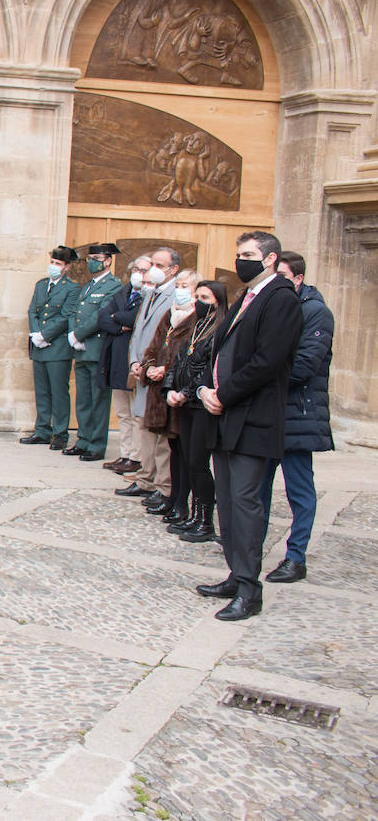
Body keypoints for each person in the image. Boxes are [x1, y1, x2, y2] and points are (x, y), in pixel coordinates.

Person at [195, 231, 303, 621]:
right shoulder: (247, 296)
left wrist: (225, 395)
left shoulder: (281, 299)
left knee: (244, 502)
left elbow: (267, 361)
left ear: (271, 259)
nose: (242, 261)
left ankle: (249, 589)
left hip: (252, 418)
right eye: (239, 254)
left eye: (250, 255)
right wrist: (207, 388)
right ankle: (235, 573)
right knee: (226, 497)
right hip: (224, 415)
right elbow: (221, 349)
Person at [259, 251, 334, 583]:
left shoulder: (316, 312)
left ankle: (296, 557)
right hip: (268, 412)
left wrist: (258, 375)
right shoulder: (272, 306)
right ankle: (250, 546)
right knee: (256, 488)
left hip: (297, 414)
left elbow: (305, 365)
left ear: (299, 279)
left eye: (284, 276)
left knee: (299, 491)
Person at [115, 247, 180, 501]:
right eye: (151, 263)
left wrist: (153, 364)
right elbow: (138, 332)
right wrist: (134, 361)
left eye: (158, 264)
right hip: (142, 370)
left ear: (173, 270)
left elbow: (170, 339)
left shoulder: (176, 295)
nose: (152, 268)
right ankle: (145, 478)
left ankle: (162, 484)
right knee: (144, 428)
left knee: (160, 433)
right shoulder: (150, 293)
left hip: (158, 373)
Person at [164, 279, 226, 543]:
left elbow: (207, 369)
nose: (199, 302)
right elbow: (179, 359)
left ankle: (206, 521)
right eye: (197, 296)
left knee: (200, 464)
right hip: (185, 403)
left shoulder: (219, 329)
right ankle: (195, 516)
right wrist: (170, 389)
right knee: (189, 460)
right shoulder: (196, 326)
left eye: (206, 298)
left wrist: (187, 392)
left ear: (218, 303)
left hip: (201, 404)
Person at [139, 269, 201, 520]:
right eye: (179, 285)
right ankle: (170, 497)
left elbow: (189, 354)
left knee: (180, 449)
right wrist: (150, 366)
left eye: (185, 286)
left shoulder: (197, 318)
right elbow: (154, 345)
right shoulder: (170, 313)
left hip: (177, 388)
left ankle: (176, 498)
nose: (180, 290)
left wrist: (167, 370)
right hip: (160, 389)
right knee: (170, 446)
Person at [64, 243, 122, 462]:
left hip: (96, 349)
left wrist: (77, 334)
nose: (92, 262)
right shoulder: (88, 285)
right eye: (90, 259)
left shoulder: (113, 286)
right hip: (81, 349)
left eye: (96, 258)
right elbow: (76, 312)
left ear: (108, 260)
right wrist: (72, 334)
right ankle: (83, 440)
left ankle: (96, 444)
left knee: (98, 400)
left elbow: (100, 315)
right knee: (83, 399)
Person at [20, 246, 80, 449]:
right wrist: (36, 335)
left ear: (66, 267)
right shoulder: (41, 285)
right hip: (39, 345)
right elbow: (32, 311)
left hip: (58, 346)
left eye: (58, 264)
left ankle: (60, 433)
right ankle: (42, 430)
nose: (53, 266)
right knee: (42, 391)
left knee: (59, 391)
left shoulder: (72, 288)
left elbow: (66, 316)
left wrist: (46, 335)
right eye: (52, 262)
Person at [99, 254, 152, 474]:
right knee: (122, 413)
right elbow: (103, 318)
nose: (138, 274)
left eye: (143, 270)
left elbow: (136, 320)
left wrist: (118, 317)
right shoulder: (123, 292)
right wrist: (120, 322)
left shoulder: (148, 296)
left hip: (135, 361)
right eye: (136, 269)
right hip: (116, 360)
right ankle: (125, 453)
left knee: (135, 413)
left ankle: (137, 457)